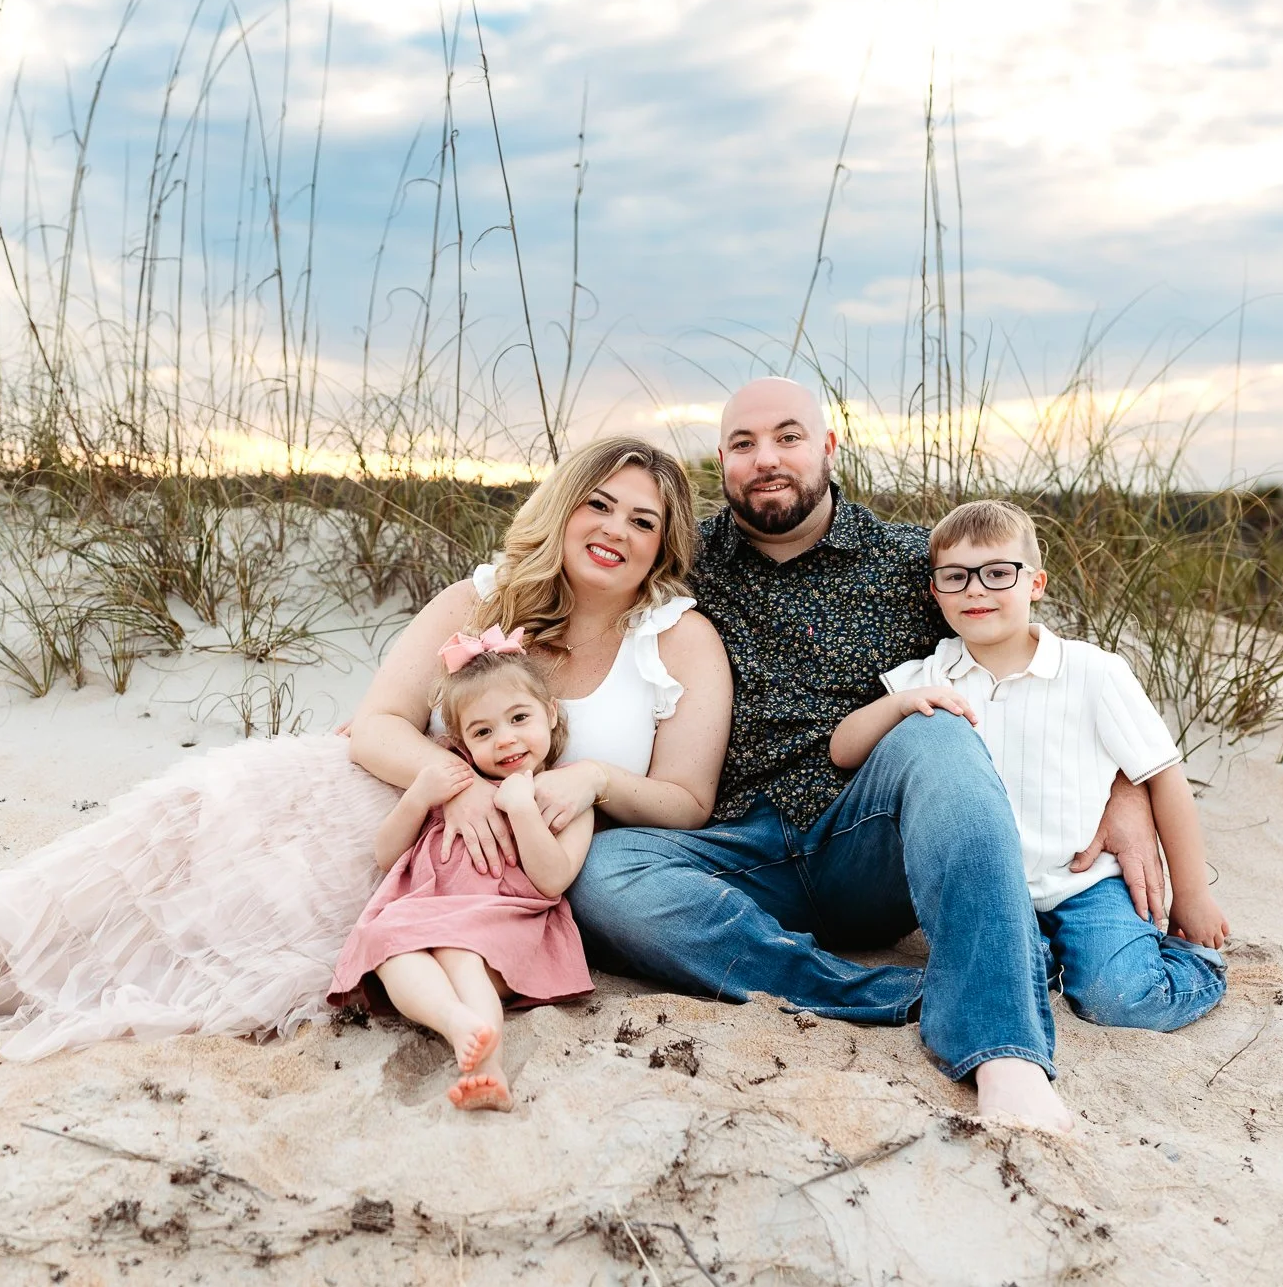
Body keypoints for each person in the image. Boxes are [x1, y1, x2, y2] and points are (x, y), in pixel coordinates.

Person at [0, 437, 732, 1061]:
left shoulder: (679, 638)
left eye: (642, 521)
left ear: (664, 544)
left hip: (483, 870)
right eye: (599, 505)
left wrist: (593, 778)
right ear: (566, 508)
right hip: (394, 798)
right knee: (184, 817)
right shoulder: (484, 599)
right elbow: (376, 725)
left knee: (218, 927)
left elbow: (687, 801)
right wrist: (453, 787)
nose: (615, 530)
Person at [566, 378, 1163, 1134]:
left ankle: (1002, 1049)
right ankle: (883, 993)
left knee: (936, 730)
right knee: (602, 872)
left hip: (871, 836)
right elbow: (561, 583)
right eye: (743, 445)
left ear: (828, 446)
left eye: (787, 437)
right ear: (721, 462)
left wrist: (1125, 788)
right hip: (733, 846)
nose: (766, 459)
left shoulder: (913, 561)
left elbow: (1046, 662)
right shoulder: (682, 559)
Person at [830, 499, 1228, 1033]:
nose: (976, 589)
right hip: (993, 888)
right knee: (1019, 975)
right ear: (935, 592)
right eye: (956, 577)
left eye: (998, 573)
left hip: (1088, 883)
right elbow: (843, 749)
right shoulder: (929, 674)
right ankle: (1046, 959)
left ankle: (1194, 966)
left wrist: (1193, 895)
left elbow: (1163, 777)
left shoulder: (1093, 672)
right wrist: (900, 702)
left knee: (1122, 999)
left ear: (1035, 583)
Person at [330, 630, 595, 1112]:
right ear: (460, 742)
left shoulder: (562, 797)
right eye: (483, 732)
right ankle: (456, 1021)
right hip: (424, 913)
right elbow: (387, 854)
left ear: (551, 714)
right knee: (386, 942)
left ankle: (486, 1068)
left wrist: (522, 812)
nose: (506, 738)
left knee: (459, 952)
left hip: (504, 926)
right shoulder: (453, 776)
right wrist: (419, 795)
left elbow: (554, 879)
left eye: (519, 718)